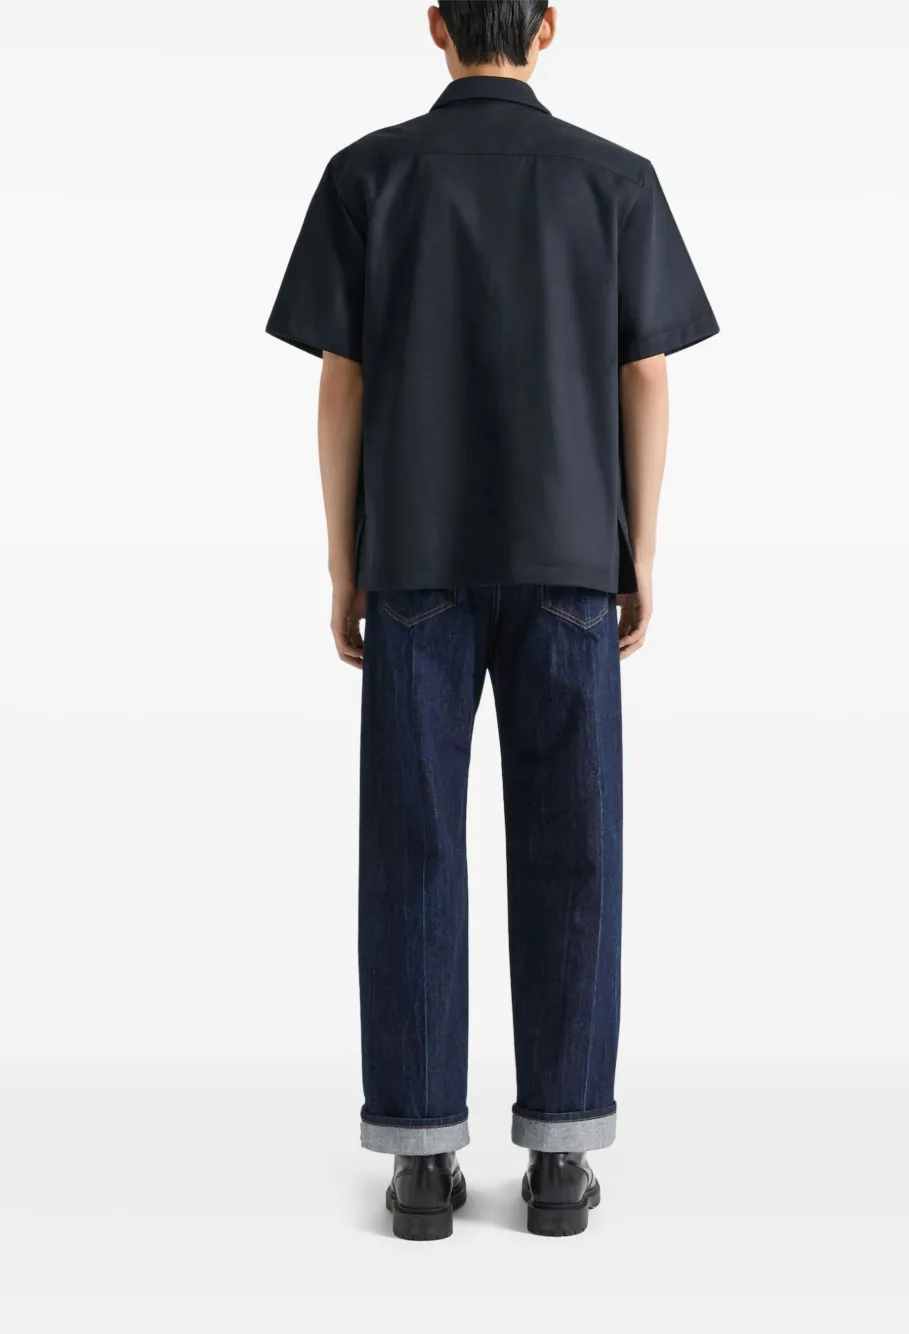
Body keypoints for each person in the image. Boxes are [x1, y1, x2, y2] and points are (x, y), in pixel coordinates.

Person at [266, 0, 718, 1240]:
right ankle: (561, 1156)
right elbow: (645, 374)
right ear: (549, 27)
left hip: (414, 552)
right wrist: (639, 549)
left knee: (412, 846)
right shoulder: (613, 180)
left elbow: (342, 383)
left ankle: (420, 1162)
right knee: (574, 846)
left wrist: (342, 560)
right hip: (570, 552)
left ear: (435, 26)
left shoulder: (369, 176)